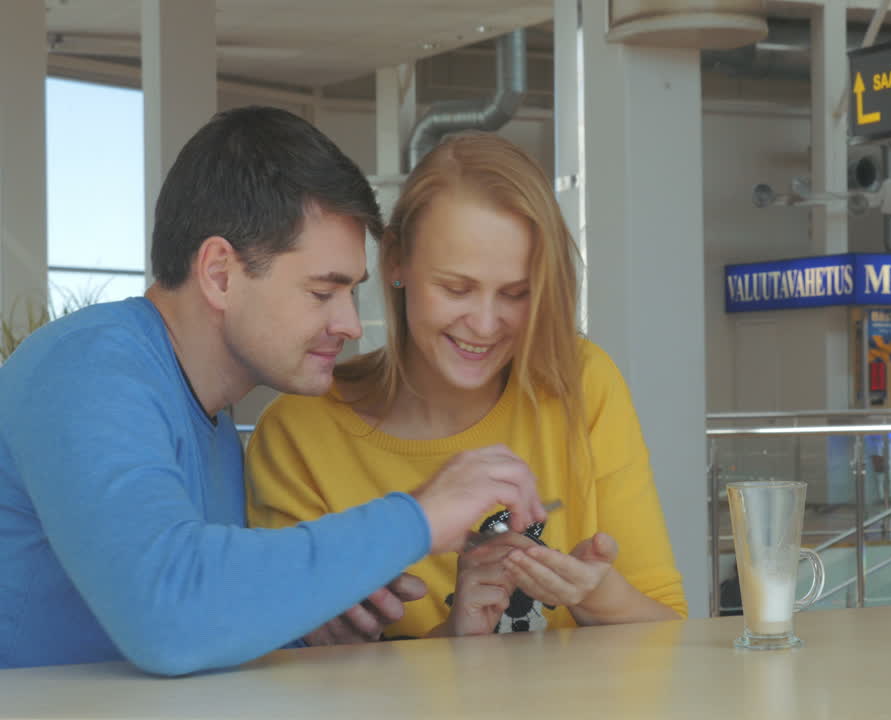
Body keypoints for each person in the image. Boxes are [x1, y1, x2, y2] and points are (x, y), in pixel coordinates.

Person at [0, 107, 546, 674]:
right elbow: (167, 615)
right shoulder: (87, 371)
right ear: (219, 273)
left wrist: (304, 623)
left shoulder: (208, 418)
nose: (351, 325)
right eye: (321, 292)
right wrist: (421, 518)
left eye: (352, 291)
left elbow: (194, 624)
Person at [246, 132, 687, 638]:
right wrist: (452, 636)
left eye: (517, 294)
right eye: (456, 288)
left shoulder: (581, 382)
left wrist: (594, 595)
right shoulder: (299, 435)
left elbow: (671, 631)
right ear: (394, 261)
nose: (484, 324)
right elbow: (296, 682)